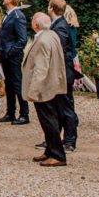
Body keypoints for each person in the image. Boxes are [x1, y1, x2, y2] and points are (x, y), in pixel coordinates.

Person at [23, 12, 69, 167]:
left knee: (48, 120)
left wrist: (33, 91)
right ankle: (50, 150)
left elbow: (41, 69)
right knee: (49, 119)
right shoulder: (52, 35)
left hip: (44, 86)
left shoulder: (42, 41)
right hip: (53, 83)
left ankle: (57, 154)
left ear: (36, 24)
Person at [47, 0, 79, 151]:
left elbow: (59, 50)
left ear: (51, 9)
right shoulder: (59, 24)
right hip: (60, 71)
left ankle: (69, 140)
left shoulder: (60, 26)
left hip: (63, 72)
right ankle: (55, 138)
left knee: (66, 107)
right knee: (57, 107)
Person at [0, 0, 29, 125]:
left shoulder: (18, 16)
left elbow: (22, 39)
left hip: (13, 56)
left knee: (17, 84)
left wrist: (11, 51)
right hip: (5, 54)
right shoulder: (7, 15)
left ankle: (24, 113)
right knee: (9, 84)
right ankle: (10, 112)